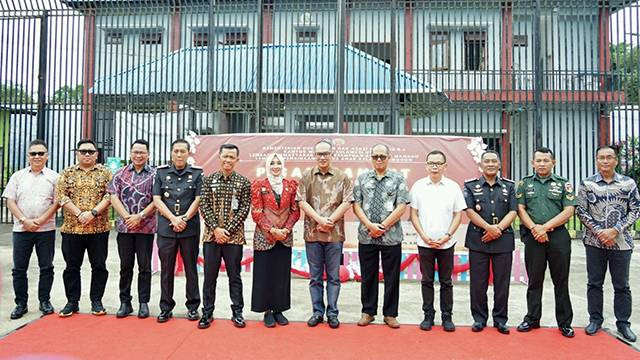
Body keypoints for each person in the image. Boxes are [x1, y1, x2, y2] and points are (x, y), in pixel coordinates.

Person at [576, 145, 639, 342]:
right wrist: (598, 231)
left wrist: (615, 230)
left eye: (609, 157)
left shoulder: (628, 184)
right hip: (594, 243)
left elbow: (635, 210)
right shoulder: (587, 184)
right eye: (601, 158)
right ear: (596, 161)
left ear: (616, 160)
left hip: (621, 243)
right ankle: (595, 319)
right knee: (594, 283)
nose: (605, 161)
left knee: (622, 285)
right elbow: (581, 211)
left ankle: (623, 323)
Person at [516, 147, 576, 338]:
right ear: (533, 163)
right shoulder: (524, 184)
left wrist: (545, 227)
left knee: (561, 280)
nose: (542, 164)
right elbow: (520, 209)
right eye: (538, 160)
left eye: (546, 160)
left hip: (557, 236)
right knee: (534, 280)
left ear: (554, 162)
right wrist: (535, 228)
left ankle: (565, 322)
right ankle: (532, 318)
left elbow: (568, 211)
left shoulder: (563, 183)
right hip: (533, 237)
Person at [297, 139, 353, 329]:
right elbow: (301, 202)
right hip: (312, 235)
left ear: (331, 155)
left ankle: (333, 313)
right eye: (319, 154)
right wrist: (320, 220)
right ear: (315, 155)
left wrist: (330, 221)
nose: (322, 157)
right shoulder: (306, 177)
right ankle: (317, 312)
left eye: (326, 153)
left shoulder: (342, 177)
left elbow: (347, 201)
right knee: (314, 277)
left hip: (334, 236)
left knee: (334, 277)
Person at [352, 144, 409, 329]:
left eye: (382, 156)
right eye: (375, 156)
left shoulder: (398, 179)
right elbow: (356, 205)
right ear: (371, 157)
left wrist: (383, 226)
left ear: (389, 157)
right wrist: (370, 226)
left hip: (390, 236)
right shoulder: (361, 179)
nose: (379, 159)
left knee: (392, 277)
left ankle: (390, 314)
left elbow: (401, 206)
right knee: (368, 276)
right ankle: (368, 311)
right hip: (366, 235)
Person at [409, 149, 466, 332]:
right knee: (426, 280)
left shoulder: (453, 187)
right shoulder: (418, 186)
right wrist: (424, 235)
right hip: (425, 242)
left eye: (438, 163)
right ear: (426, 166)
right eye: (431, 163)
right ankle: (428, 315)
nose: (434, 166)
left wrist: (447, 235)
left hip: (446, 242)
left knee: (446, 281)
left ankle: (447, 317)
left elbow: (458, 215)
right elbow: (414, 214)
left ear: (445, 166)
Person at [56, 139, 112, 317]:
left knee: (99, 266)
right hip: (72, 229)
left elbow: (111, 195)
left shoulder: (105, 173)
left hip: (98, 229)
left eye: (90, 151)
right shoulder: (67, 173)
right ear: (77, 153)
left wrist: (93, 212)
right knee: (72, 267)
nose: (87, 154)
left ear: (96, 154)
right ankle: (72, 301)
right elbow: (61, 196)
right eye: (83, 151)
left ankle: (96, 300)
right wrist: (80, 213)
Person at [3, 139, 59, 319]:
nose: (37, 157)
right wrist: (24, 219)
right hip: (22, 229)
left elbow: (57, 202)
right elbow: (10, 200)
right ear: (28, 156)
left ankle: (44, 301)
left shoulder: (54, 177)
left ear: (47, 156)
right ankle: (21, 303)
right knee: (19, 269)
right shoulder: (18, 176)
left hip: (46, 230)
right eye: (33, 153)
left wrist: (42, 219)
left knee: (46, 267)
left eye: (41, 153)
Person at [463, 150, 517, 335]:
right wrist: (489, 228)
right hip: (479, 239)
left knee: (502, 283)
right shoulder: (470, 186)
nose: (491, 164)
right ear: (481, 164)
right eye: (487, 161)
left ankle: (500, 320)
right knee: (478, 283)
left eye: (494, 161)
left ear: (500, 164)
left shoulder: (509, 187)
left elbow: (513, 211)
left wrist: (498, 230)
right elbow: (469, 211)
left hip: (503, 240)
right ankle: (479, 319)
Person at [198, 143, 251, 329]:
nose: (228, 160)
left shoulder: (244, 182)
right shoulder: (208, 180)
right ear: (219, 157)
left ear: (237, 160)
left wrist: (226, 230)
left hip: (234, 238)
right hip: (211, 238)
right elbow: (203, 206)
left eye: (232, 157)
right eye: (225, 156)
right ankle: (207, 313)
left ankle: (237, 313)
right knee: (209, 276)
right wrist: (216, 229)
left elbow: (244, 209)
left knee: (234, 276)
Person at [153, 139, 203, 323]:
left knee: (191, 269)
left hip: (189, 228)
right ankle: (165, 307)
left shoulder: (197, 174)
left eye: (183, 151)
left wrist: (183, 219)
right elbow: (157, 199)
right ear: (171, 153)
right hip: (167, 228)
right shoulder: (161, 172)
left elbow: (198, 199)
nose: (179, 154)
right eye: (176, 151)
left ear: (189, 153)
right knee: (166, 270)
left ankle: (193, 306)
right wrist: (173, 219)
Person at [250, 153, 300, 327]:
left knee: (281, 274)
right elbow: (256, 211)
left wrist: (285, 229)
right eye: (272, 163)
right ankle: (267, 311)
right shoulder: (259, 185)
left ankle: (279, 309)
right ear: (267, 165)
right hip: (264, 237)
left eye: (279, 163)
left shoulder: (291, 185)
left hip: (284, 237)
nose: (276, 166)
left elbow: (295, 210)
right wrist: (271, 230)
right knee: (265, 274)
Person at [107, 139, 157, 319]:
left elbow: (156, 200)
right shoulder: (119, 174)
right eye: (135, 152)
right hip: (125, 228)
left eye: (142, 152)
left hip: (146, 228)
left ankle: (144, 302)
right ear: (130, 153)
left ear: (148, 154)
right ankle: (125, 302)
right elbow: (113, 197)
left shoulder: (155, 175)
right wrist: (128, 218)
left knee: (145, 267)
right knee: (125, 266)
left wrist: (140, 216)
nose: (138, 155)